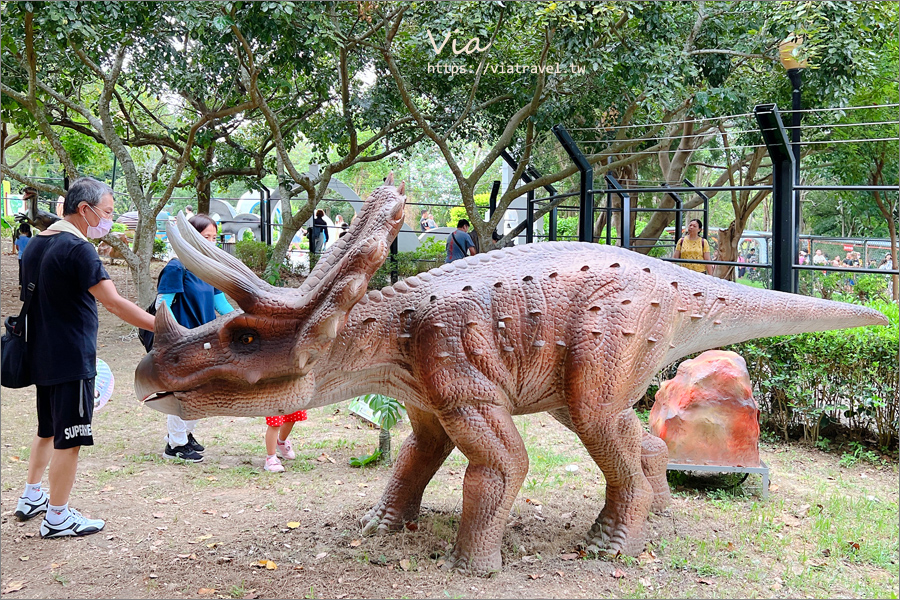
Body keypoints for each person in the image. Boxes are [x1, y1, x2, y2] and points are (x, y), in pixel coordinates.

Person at [16, 177, 155, 538]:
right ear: (85, 209)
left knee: (47, 429)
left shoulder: (34, 245)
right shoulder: (80, 250)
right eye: (107, 213)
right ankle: (57, 517)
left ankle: (32, 496)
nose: (109, 220)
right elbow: (113, 302)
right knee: (71, 438)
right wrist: (163, 327)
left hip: (41, 353)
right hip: (71, 358)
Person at [156, 214, 235, 463]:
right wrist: (176, 337)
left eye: (214, 238)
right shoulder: (176, 267)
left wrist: (247, 321)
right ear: (189, 238)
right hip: (182, 341)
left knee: (202, 392)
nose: (211, 243)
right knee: (184, 392)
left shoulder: (209, 268)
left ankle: (184, 435)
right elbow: (163, 307)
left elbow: (220, 304)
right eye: (205, 237)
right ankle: (176, 444)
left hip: (207, 340)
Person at [15, 222, 32, 288]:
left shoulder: (18, 238)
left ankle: (21, 283)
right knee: (28, 270)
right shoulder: (30, 239)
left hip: (20, 256)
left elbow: (17, 247)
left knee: (21, 270)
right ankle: (27, 282)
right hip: (28, 257)